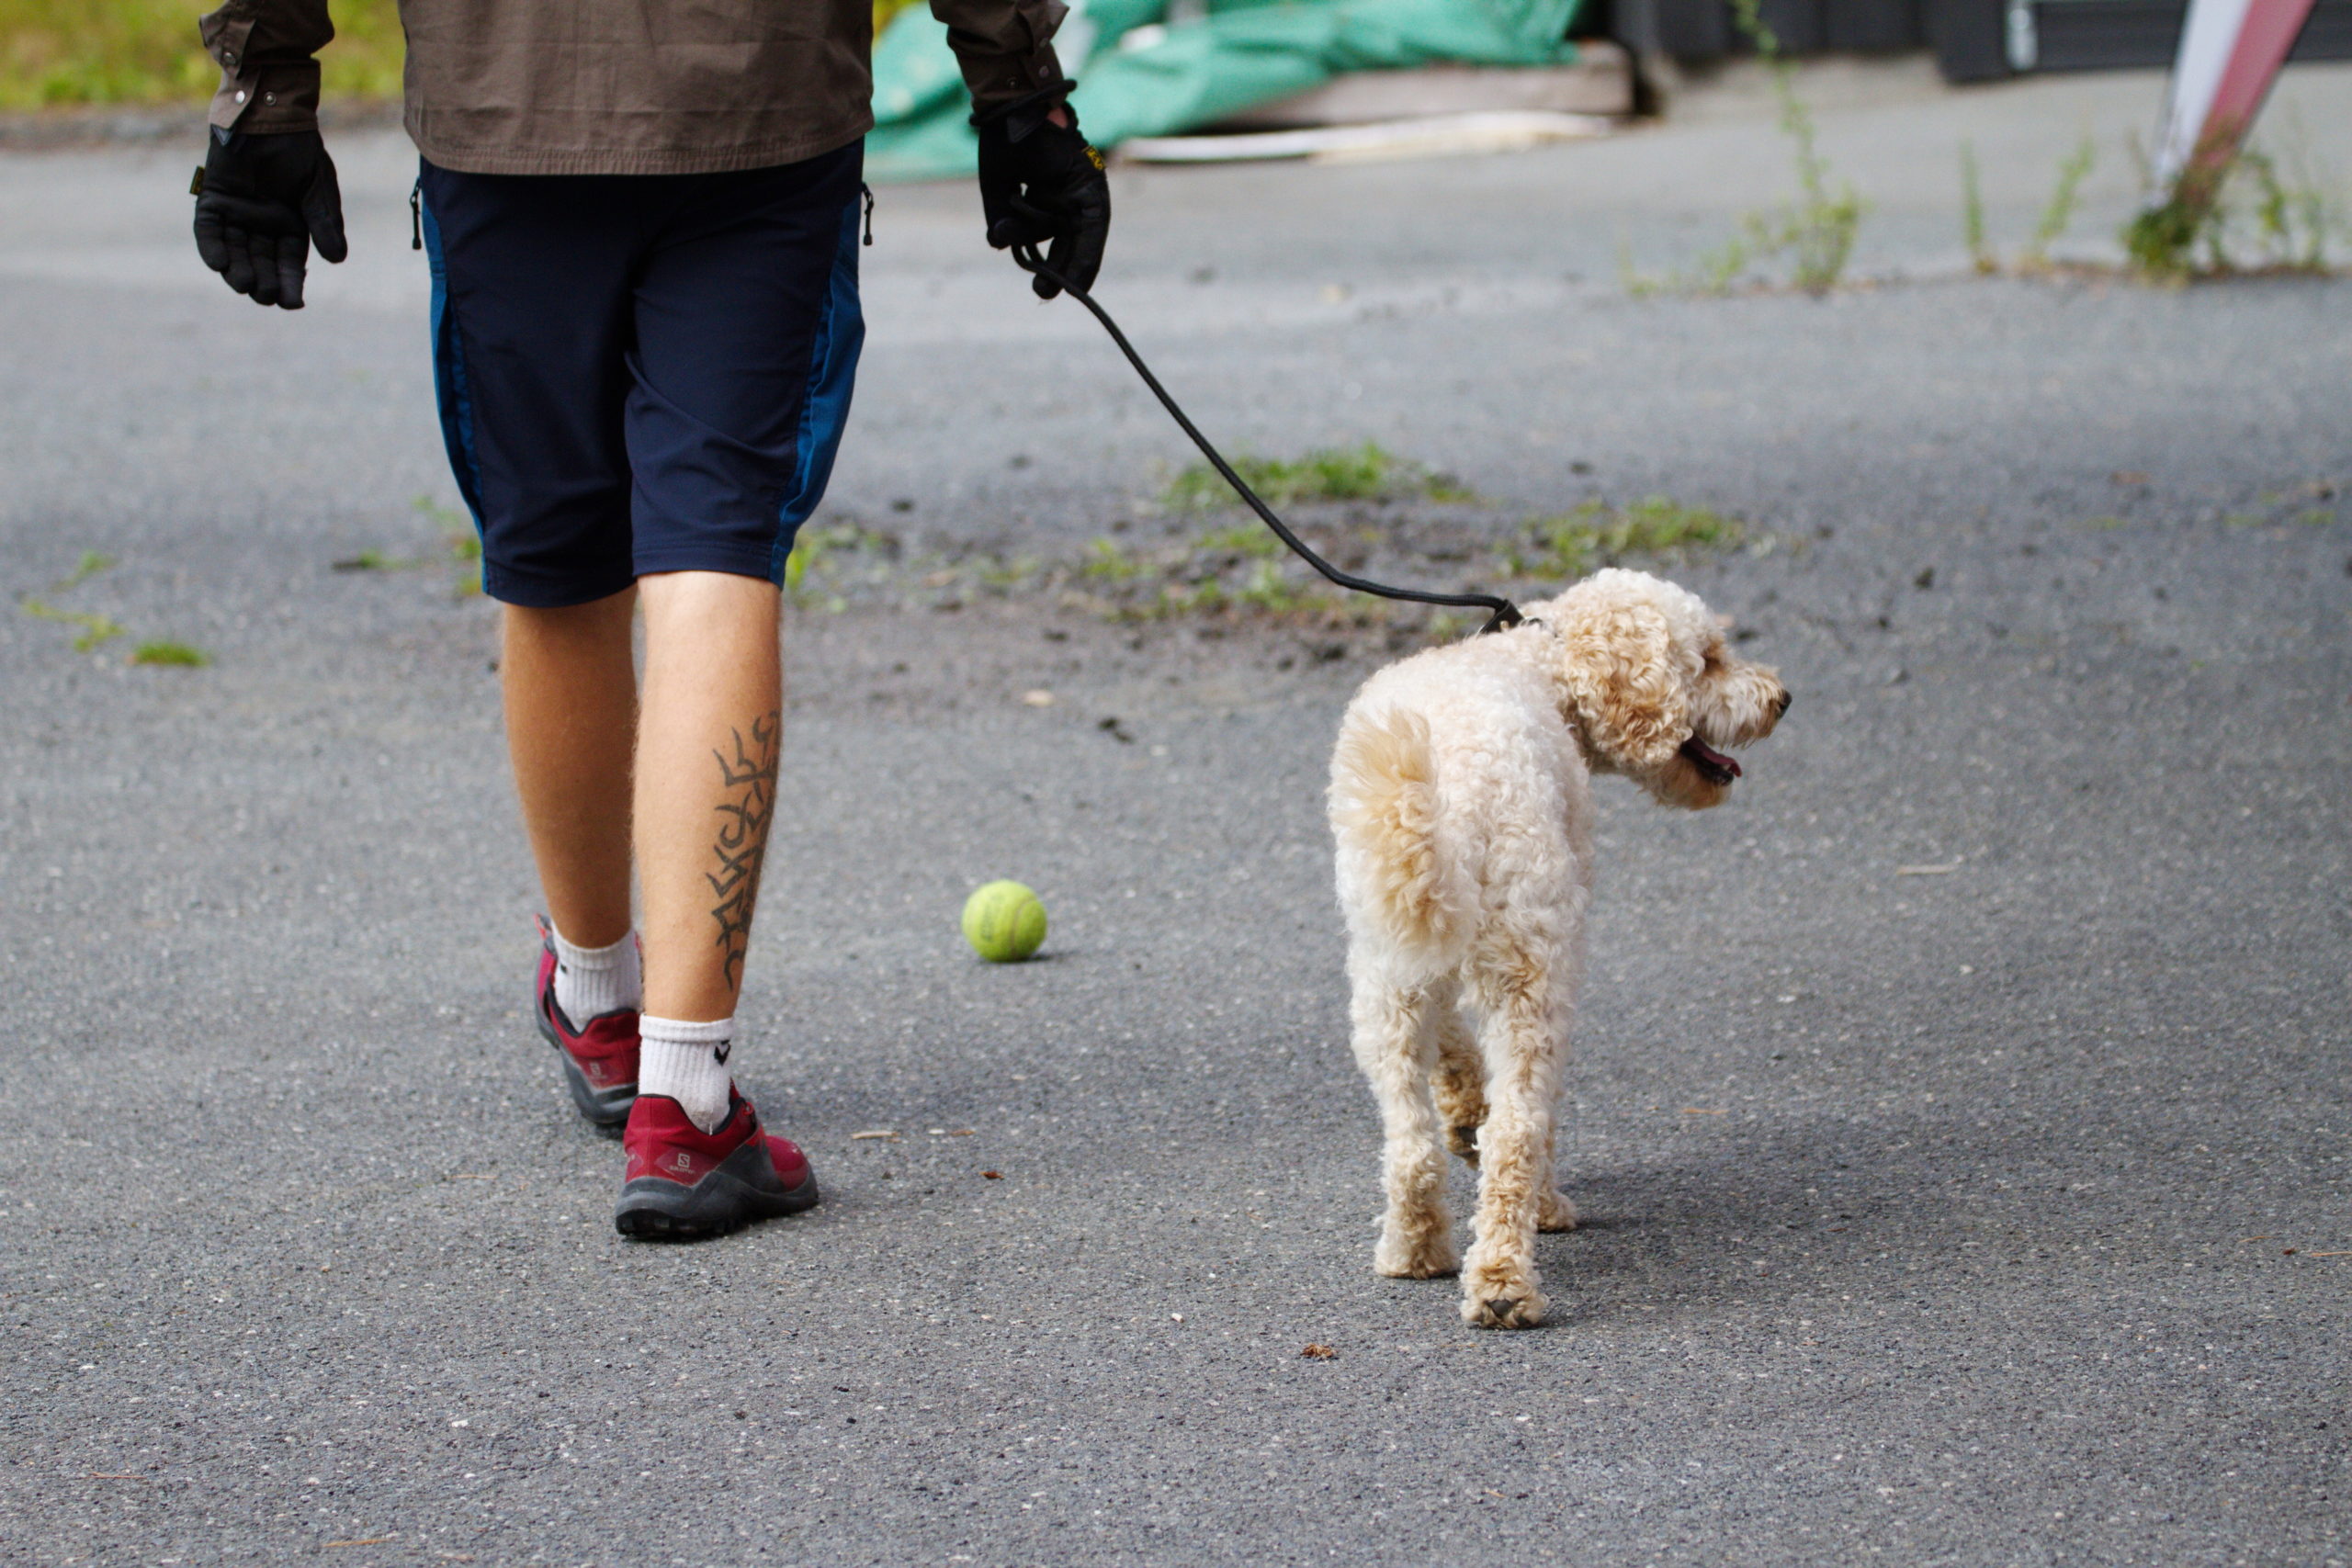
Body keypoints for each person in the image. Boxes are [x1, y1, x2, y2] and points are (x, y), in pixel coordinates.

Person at [187, 0, 1111, 1238]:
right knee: (717, 546)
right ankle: (683, 1097)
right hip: (757, 103)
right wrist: (1017, 86)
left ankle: (602, 1002)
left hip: (507, 107)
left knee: (554, 556)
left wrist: (266, 88)